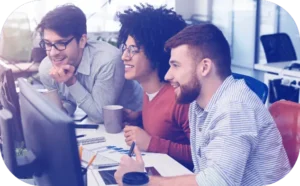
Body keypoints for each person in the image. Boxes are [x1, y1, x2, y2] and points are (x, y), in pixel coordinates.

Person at [114, 24, 292, 185]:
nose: (168, 75)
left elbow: (217, 181)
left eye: (176, 65)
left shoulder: (235, 107)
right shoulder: (198, 103)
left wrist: (143, 181)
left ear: (205, 67)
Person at [116, 4, 193, 171]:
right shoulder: (149, 90)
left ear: (156, 53)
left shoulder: (179, 98)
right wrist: (138, 118)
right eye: (124, 48)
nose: (124, 56)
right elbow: (165, 123)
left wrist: (151, 143)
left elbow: (199, 155)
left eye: (133, 50)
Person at [37, 4, 143, 123]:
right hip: (100, 127)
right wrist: (61, 111)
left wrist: (70, 82)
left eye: (61, 43)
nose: (53, 53)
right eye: (47, 43)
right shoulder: (47, 68)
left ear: (82, 41)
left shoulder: (108, 60)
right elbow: (67, 101)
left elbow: (100, 116)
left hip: (137, 122)